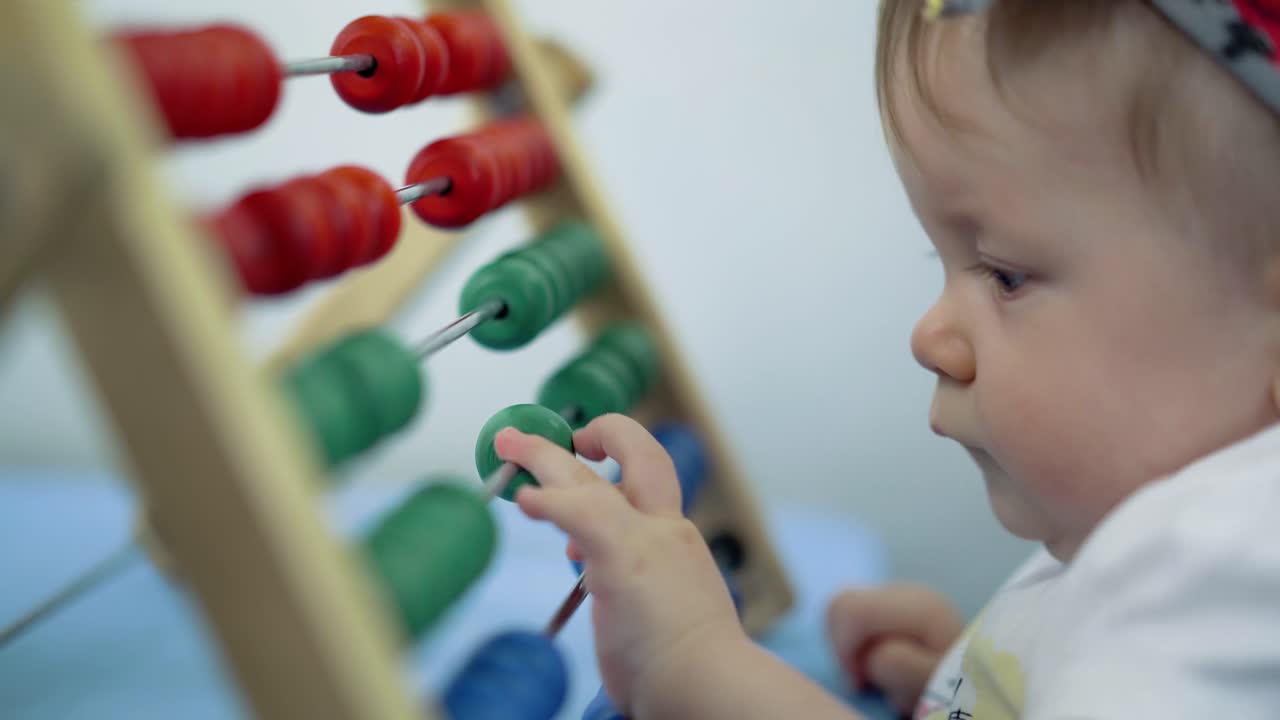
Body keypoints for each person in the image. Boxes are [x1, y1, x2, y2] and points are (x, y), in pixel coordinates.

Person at [494, 1, 1280, 717]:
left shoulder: (1220, 572)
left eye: (1005, 272)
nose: (928, 335)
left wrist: (690, 660)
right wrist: (969, 674)